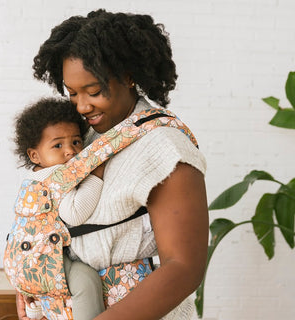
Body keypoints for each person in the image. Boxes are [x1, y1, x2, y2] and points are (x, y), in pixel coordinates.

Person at [17, 9, 209, 320]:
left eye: (93, 91)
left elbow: (184, 268)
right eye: (72, 94)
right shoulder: (85, 137)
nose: (81, 106)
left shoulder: (165, 149)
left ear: (129, 76)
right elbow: (49, 210)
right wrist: (33, 280)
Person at [13, 97, 106, 320]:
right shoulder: (56, 177)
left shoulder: (33, 178)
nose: (70, 151)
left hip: (22, 257)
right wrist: (96, 176)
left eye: (76, 142)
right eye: (58, 145)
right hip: (38, 256)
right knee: (86, 280)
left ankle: (39, 308)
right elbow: (75, 212)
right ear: (34, 155)